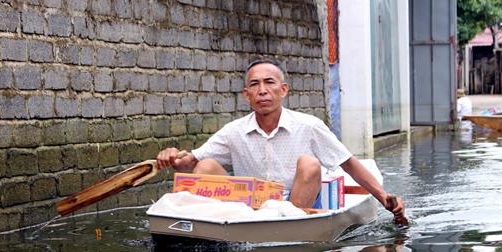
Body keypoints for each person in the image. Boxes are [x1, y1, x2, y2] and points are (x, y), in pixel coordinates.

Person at [157, 59, 406, 224]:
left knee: (309, 163)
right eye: (254, 85)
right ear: (247, 96)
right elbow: (190, 162)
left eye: (269, 83)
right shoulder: (234, 131)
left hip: (301, 205)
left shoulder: (308, 126)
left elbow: (348, 164)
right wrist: (172, 157)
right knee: (205, 166)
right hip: (250, 208)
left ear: (283, 90)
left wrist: (384, 198)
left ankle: (292, 226)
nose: (262, 90)